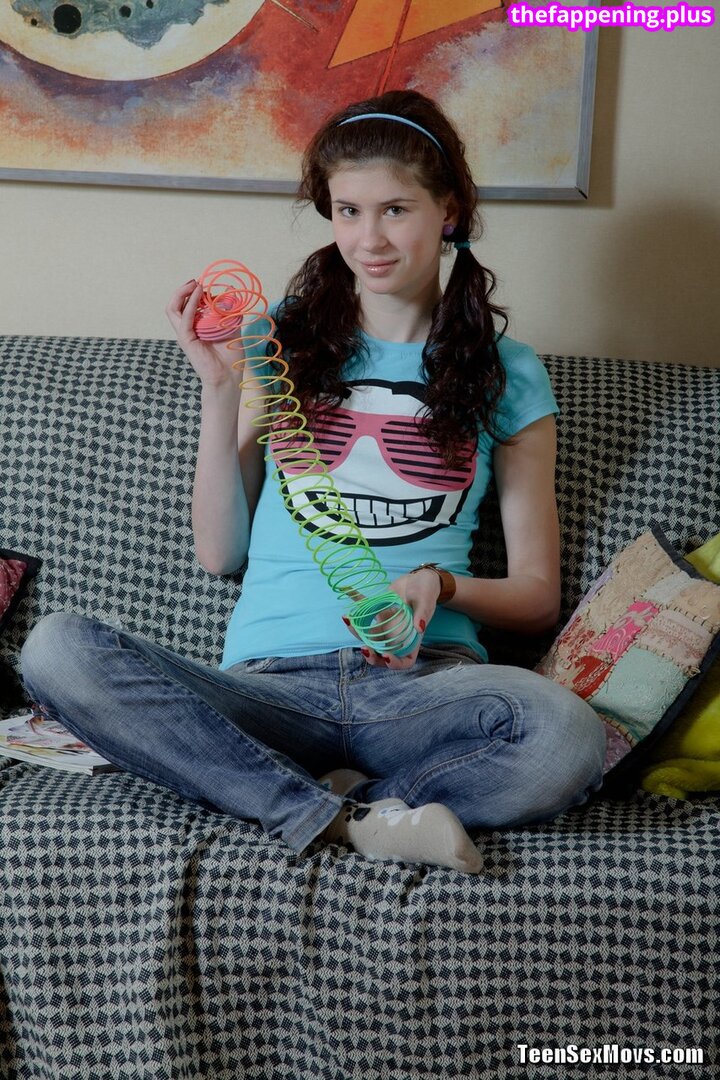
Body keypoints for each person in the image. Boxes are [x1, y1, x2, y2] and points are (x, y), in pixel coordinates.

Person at [21, 90, 606, 875]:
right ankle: (346, 820)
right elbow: (219, 553)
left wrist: (440, 585)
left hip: (423, 685)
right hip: (272, 688)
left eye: (395, 210)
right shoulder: (282, 343)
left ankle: (321, 803)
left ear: (449, 211)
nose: (369, 239)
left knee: (568, 734)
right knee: (57, 648)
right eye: (348, 210)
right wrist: (220, 388)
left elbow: (536, 597)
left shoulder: (508, 373)